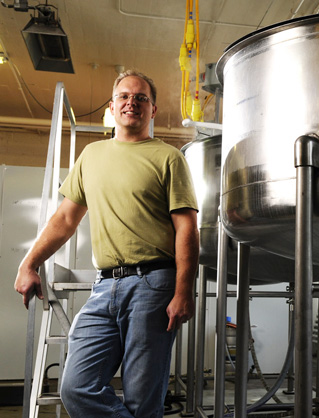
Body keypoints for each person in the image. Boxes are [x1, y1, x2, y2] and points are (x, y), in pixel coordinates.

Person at [14, 70, 199, 418]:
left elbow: (186, 227)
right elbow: (65, 220)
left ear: (153, 110)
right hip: (105, 286)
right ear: (112, 107)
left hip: (154, 283)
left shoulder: (168, 157)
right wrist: (30, 263)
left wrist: (183, 290)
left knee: (143, 397)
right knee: (76, 387)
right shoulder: (91, 156)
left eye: (141, 98)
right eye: (125, 97)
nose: (132, 102)